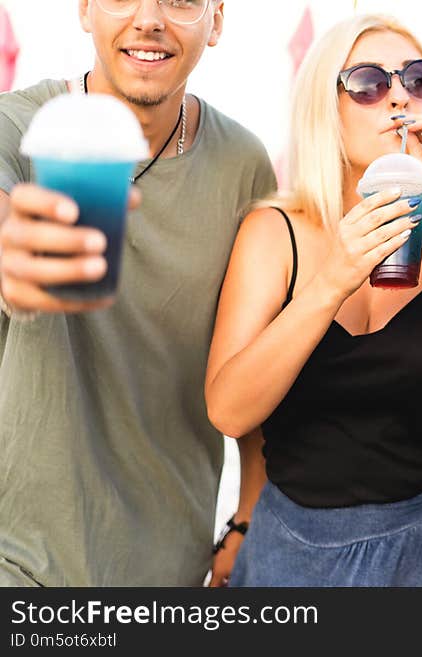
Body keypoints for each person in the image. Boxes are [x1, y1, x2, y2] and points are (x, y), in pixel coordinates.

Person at [204, 14, 422, 587]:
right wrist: (333, 279)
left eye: (418, 79)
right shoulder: (275, 231)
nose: (398, 97)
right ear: (325, 107)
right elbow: (229, 410)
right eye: (368, 83)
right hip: (298, 552)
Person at [0, 0, 276, 586]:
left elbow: (256, 361)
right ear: (85, 10)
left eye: (179, 0)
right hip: (17, 558)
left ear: (217, 20)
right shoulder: (19, 128)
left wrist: (247, 519)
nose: (148, 19)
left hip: (169, 568)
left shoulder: (243, 165)